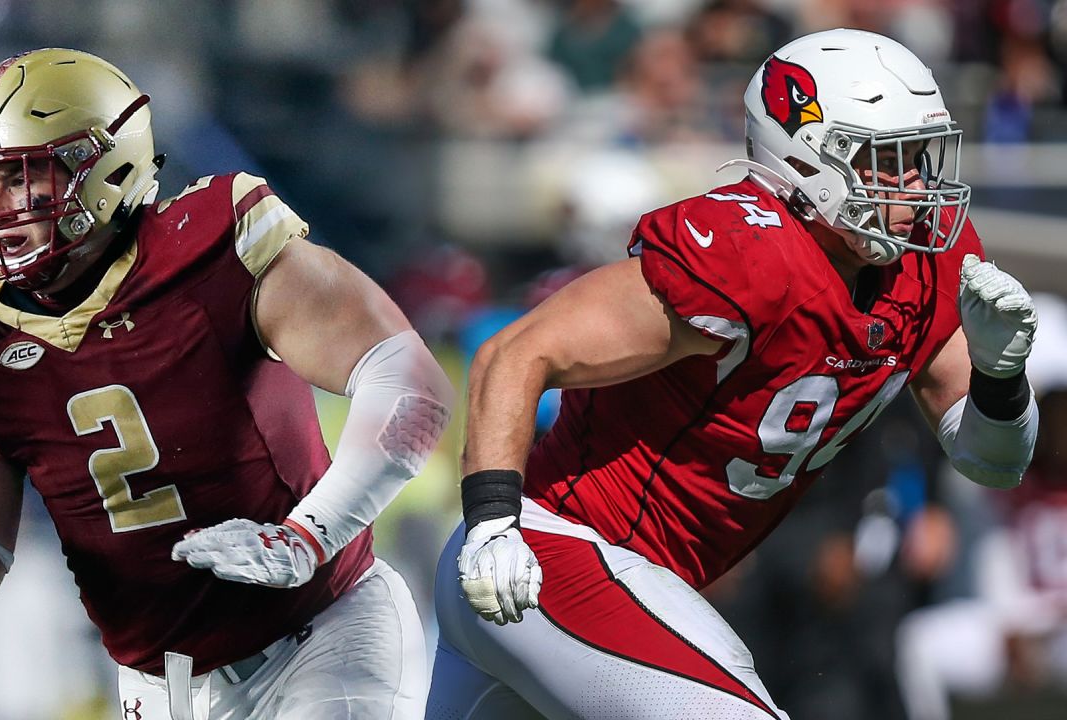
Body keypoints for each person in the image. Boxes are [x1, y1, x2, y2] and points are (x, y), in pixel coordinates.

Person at [426, 28, 1039, 720]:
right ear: (807, 159)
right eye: (885, 160)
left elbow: (993, 461)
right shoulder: (749, 252)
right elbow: (515, 353)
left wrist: (1000, 373)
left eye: (919, 158)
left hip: (623, 588)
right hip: (553, 558)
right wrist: (491, 526)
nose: (916, 184)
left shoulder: (927, 266)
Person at [0, 48, 453, 719]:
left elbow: (413, 385)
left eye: (23, 179)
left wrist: (308, 536)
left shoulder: (213, 247)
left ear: (105, 165)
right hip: (156, 687)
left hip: (320, 638)